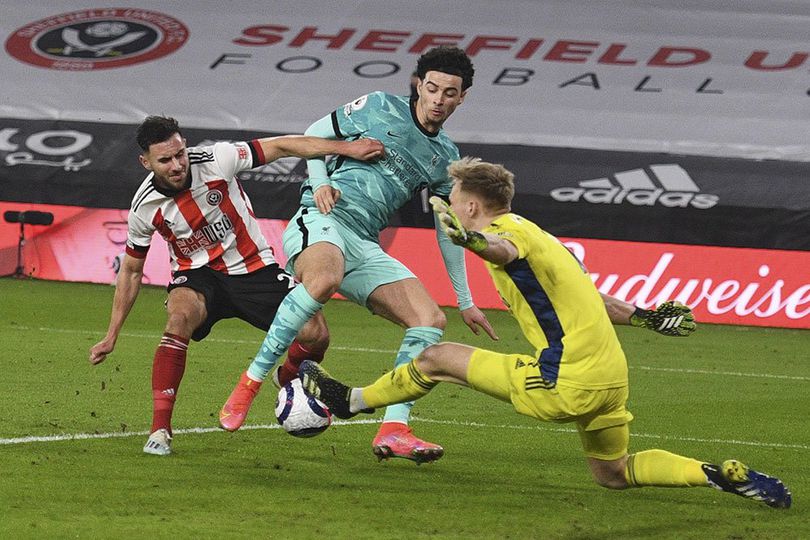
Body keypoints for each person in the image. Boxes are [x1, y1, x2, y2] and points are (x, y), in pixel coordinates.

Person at [299, 157, 791, 509]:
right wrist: (643, 316)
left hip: (568, 379)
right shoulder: (544, 236)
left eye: (454, 199)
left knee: (437, 357)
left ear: (470, 206)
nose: (449, 204)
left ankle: (351, 402)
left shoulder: (510, 236)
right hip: (612, 377)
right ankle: (714, 475)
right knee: (613, 474)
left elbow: (501, 249)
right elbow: (590, 296)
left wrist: (471, 241)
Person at [219, 46, 497, 463]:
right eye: (432, 88)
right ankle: (251, 381)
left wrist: (466, 300)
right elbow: (316, 129)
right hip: (321, 219)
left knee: (430, 320)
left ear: (463, 98)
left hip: (364, 243)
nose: (438, 100)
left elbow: (447, 228)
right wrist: (318, 183)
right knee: (325, 279)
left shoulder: (447, 159)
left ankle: (394, 429)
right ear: (418, 85)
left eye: (449, 93)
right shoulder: (379, 106)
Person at [89, 115, 383, 456]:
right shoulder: (144, 207)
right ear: (146, 162)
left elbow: (284, 145)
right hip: (197, 276)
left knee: (316, 334)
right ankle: (160, 430)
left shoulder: (217, 159)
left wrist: (348, 148)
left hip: (253, 268)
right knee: (179, 318)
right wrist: (112, 334)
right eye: (165, 160)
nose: (177, 164)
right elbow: (131, 271)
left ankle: (285, 378)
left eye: (180, 153)